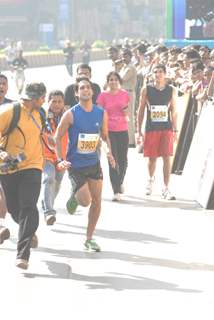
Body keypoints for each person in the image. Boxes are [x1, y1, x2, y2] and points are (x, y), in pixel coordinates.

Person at [55, 77, 115, 252]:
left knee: (97, 201)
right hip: (76, 166)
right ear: (76, 93)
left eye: (88, 87)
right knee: (86, 201)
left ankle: (89, 238)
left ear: (92, 91)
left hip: (94, 163)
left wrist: (109, 153)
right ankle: (75, 196)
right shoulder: (71, 114)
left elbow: (104, 136)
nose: (86, 90)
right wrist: (60, 159)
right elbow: (57, 137)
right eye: (82, 88)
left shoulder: (101, 113)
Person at [0, 82, 46, 269]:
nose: (44, 101)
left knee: (28, 206)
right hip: (8, 168)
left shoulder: (40, 114)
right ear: (34, 98)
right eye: (42, 98)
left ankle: (22, 255)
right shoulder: (9, 111)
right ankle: (29, 229)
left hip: (33, 166)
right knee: (14, 209)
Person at [136, 64, 178, 200]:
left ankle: (166, 188)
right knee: (152, 159)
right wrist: (138, 130)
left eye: (160, 72)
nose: (158, 74)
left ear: (165, 74)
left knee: (167, 157)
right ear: (152, 74)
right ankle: (150, 178)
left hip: (166, 128)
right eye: (155, 72)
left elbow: (174, 111)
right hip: (151, 128)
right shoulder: (146, 89)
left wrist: (175, 129)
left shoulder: (171, 90)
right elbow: (141, 110)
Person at [97, 71, 129, 201]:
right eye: (110, 79)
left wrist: (125, 111)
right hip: (108, 131)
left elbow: (127, 111)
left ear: (119, 81)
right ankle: (116, 190)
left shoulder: (125, 94)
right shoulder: (103, 96)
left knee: (123, 161)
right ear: (107, 82)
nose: (113, 82)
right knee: (112, 159)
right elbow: (99, 112)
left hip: (122, 129)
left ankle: (119, 181)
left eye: (115, 79)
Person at [41, 90, 68, 225]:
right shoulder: (43, 116)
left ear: (63, 103)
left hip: (62, 157)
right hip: (46, 155)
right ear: (48, 102)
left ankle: (47, 203)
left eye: (60, 101)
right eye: (54, 101)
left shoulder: (68, 117)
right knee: (48, 178)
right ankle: (49, 212)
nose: (57, 104)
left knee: (57, 183)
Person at [0, 74, 13, 244]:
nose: (1, 86)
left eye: (3, 84)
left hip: (6, 154)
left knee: (5, 191)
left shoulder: (12, 107)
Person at [119, 48, 137, 147]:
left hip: (128, 93)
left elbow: (121, 79)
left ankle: (130, 141)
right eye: (123, 56)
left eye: (126, 56)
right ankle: (127, 139)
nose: (123, 58)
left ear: (130, 57)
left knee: (129, 117)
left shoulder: (130, 68)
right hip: (123, 93)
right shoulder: (124, 67)